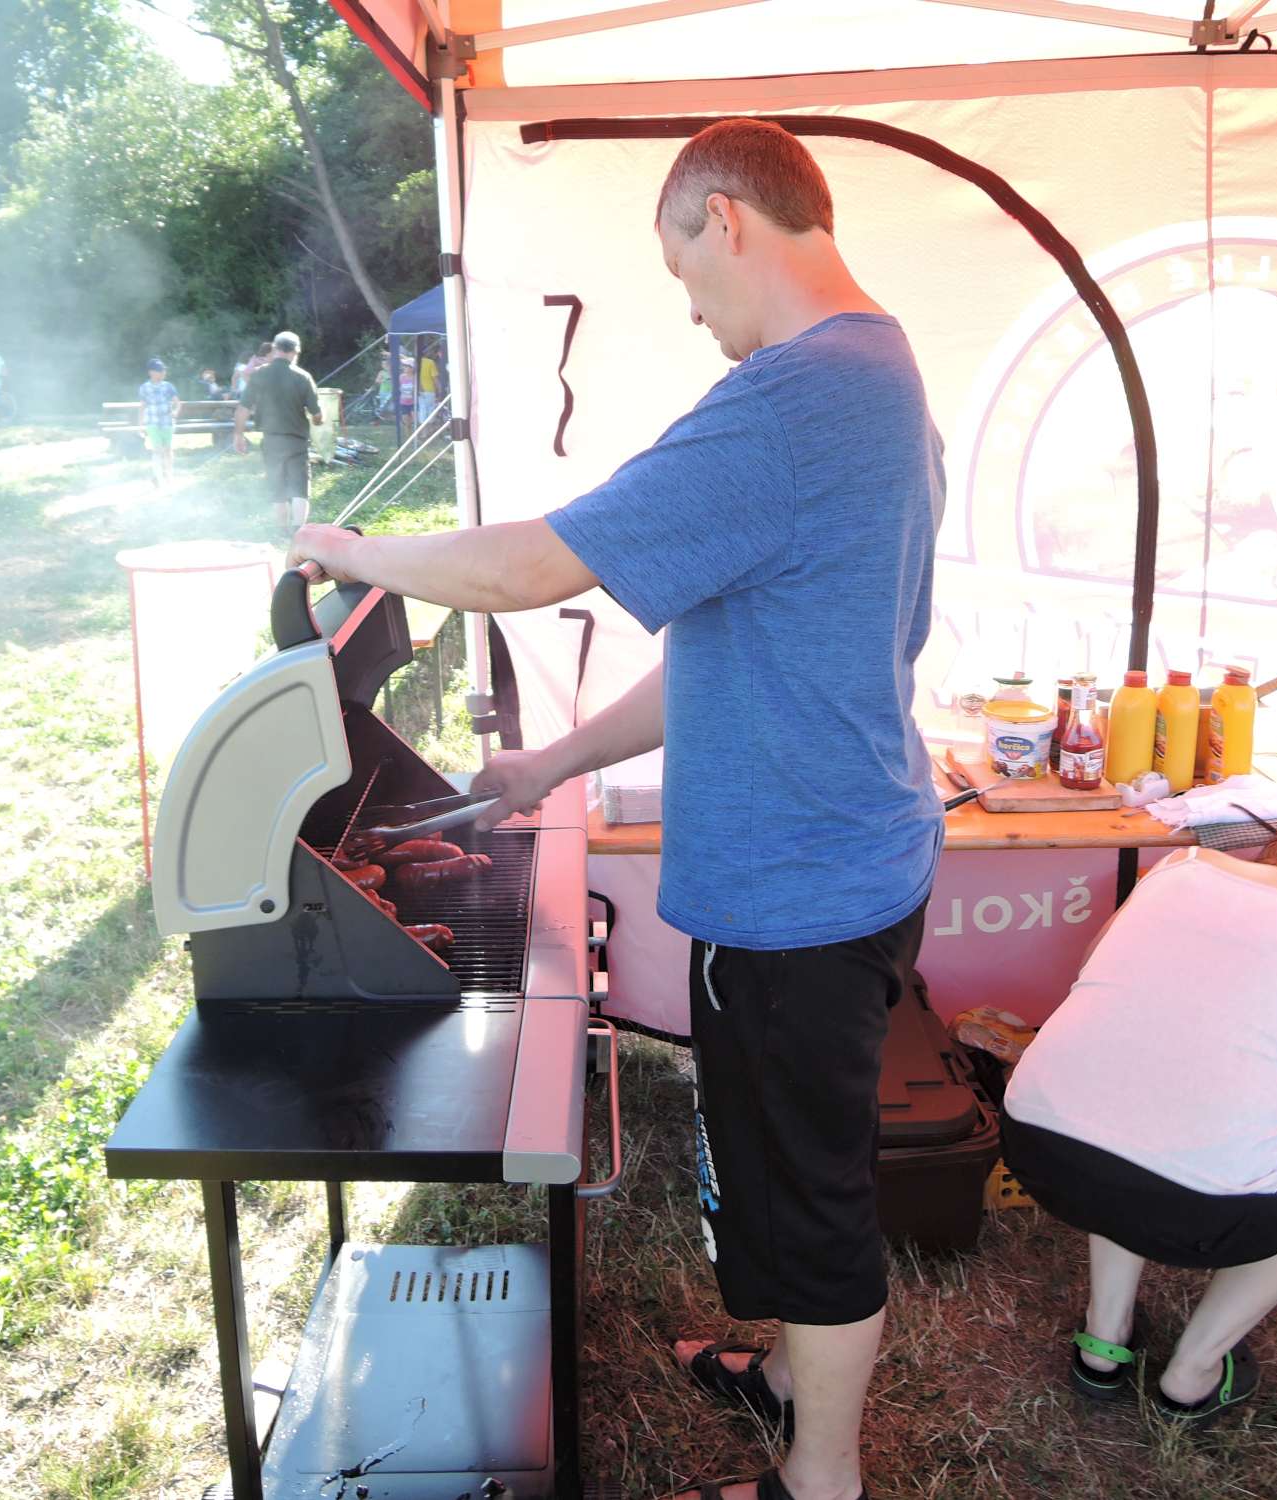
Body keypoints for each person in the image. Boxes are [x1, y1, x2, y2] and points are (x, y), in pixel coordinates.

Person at [286, 118, 943, 1500]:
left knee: (815, 1198)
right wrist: (552, 764)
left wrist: (356, 550)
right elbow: (733, 649)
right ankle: (784, 1380)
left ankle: (819, 1480)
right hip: (840, 856)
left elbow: (530, 568)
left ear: (726, 220)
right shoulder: (881, 374)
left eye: (681, 272)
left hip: (800, 889)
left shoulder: (793, 397)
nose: (692, 311)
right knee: (776, 1166)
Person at [1000, 826, 1277, 1423]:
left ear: (1272, 858)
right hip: (1217, 1212)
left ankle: (1104, 1339)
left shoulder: (1178, 866)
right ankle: (1195, 1370)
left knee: (1130, 1087)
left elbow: (1094, 976)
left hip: (1037, 1148)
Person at [234, 331, 324, 538]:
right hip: (296, 441)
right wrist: (319, 420)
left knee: (277, 486)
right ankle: (298, 532)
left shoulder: (259, 375)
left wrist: (238, 435)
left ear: (275, 349)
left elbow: (243, 408)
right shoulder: (302, 377)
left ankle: (281, 530)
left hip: (271, 440)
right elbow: (317, 414)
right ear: (295, 352)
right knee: (299, 487)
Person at [137, 357, 181, 490]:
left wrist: (176, 411)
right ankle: (158, 478)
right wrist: (140, 425)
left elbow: (178, 403)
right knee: (157, 450)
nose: (163, 373)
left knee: (167, 450)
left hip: (167, 422)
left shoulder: (168, 386)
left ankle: (169, 475)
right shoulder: (144, 387)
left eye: (163, 370)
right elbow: (142, 406)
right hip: (152, 423)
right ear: (151, 372)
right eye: (159, 370)